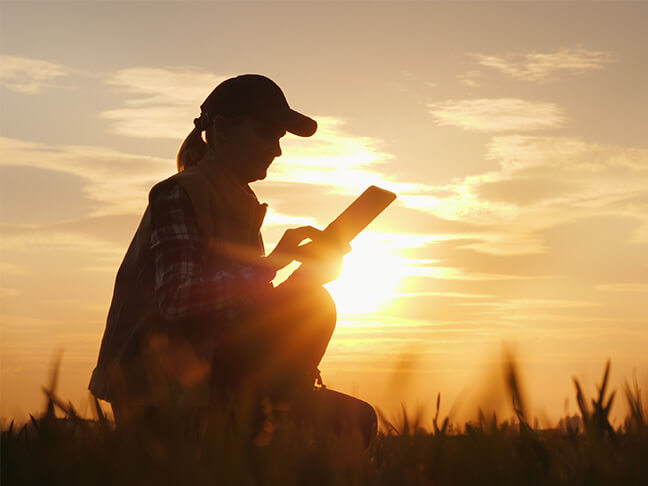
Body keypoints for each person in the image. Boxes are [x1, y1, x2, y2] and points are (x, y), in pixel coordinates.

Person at [89, 74, 376, 445]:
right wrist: (273, 263)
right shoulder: (176, 195)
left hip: (219, 380)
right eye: (265, 133)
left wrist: (304, 280)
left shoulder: (239, 205)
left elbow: (241, 309)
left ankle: (282, 402)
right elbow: (177, 300)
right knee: (341, 420)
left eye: (279, 139)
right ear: (221, 130)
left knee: (354, 416)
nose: (277, 150)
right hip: (165, 399)